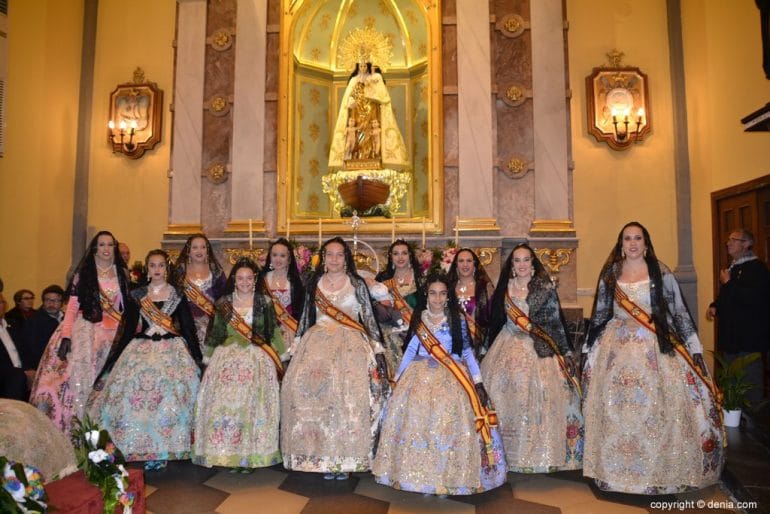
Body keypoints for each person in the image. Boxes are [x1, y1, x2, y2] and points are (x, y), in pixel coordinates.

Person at [583, 221, 724, 494]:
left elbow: (679, 312)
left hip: (655, 347)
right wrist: (589, 348)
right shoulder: (611, 274)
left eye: (638, 238)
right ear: (621, 244)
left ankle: (657, 472)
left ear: (646, 243)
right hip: (617, 347)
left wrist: (694, 346)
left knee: (657, 408)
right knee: (614, 410)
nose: (633, 243)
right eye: (627, 239)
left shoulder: (661, 272)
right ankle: (615, 472)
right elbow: (601, 312)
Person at [373, 273, 506, 495]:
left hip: (451, 374)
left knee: (447, 418)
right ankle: (419, 477)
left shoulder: (458, 319)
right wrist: (397, 379)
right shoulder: (420, 318)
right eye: (433, 293)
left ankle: (446, 476)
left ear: (448, 296)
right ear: (427, 295)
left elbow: (466, 352)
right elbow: (410, 350)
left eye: (442, 294)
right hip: (419, 373)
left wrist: (478, 382)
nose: (437, 299)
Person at [281, 237, 389, 480]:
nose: (334, 259)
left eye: (339, 254)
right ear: (323, 257)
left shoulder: (356, 283)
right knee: (306, 394)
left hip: (350, 345)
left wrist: (378, 349)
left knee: (347, 397)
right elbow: (305, 320)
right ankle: (320, 457)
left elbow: (369, 319)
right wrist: (295, 348)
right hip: (316, 343)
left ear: (346, 258)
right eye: (329, 254)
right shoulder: (314, 283)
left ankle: (345, 458)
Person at [89, 250, 202, 471]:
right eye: (152, 265)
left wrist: (197, 356)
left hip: (172, 351)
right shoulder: (137, 294)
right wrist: (114, 359)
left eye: (161, 265)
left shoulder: (177, 294)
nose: (157, 269)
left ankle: (165, 446)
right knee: (132, 390)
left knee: (170, 392)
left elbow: (187, 326)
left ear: (167, 269)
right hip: (141, 349)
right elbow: (128, 327)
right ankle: (133, 444)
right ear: (147, 269)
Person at [481, 244, 583, 473]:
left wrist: (564, 352)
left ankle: (538, 452)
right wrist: (485, 349)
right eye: (517, 260)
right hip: (507, 344)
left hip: (539, 348)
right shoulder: (505, 288)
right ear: (512, 265)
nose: (522, 264)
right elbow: (496, 320)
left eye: (526, 260)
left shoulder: (543, 288)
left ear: (533, 263)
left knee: (542, 395)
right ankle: (502, 452)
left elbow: (555, 322)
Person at [30, 231, 130, 436]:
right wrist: (66, 335)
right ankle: (74, 427)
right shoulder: (83, 274)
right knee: (77, 378)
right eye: (101, 245)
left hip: (112, 333)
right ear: (95, 248)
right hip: (85, 331)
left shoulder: (121, 273)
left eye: (110, 245)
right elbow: (73, 308)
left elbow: (122, 307)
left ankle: (103, 427)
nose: (105, 249)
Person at [193, 258, 284, 471]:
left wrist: (283, 357)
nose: (244, 282)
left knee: (252, 406)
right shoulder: (224, 303)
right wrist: (208, 358)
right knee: (224, 405)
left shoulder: (265, 302)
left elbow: (273, 332)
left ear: (255, 280)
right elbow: (216, 333)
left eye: (249, 278)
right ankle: (227, 453)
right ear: (234, 280)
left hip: (257, 357)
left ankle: (250, 455)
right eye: (240, 278)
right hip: (227, 356)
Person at [706, 228, 770, 407]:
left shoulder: (757, 268)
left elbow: (753, 299)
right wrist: (715, 306)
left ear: (746, 244)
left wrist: (728, 283)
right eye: (728, 240)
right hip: (731, 339)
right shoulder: (733, 267)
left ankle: (754, 428)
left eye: (733, 239)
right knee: (731, 387)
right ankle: (734, 425)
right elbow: (729, 296)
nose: (728, 243)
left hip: (748, 340)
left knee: (750, 389)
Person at [328, 59, 408, 169]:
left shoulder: (374, 78)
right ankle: (357, 156)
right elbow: (348, 98)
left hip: (371, 109)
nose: (363, 68)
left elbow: (381, 95)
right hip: (357, 111)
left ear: (368, 66)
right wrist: (351, 102)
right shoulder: (354, 80)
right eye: (361, 66)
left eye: (365, 66)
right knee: (357, 130)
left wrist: (372, 90)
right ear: (358, 66)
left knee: (371, 131)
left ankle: (371, 154)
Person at [170, 233, 226, 354]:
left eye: (203, 247)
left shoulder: (216, 271)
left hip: (211, 326)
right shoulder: (179, 272)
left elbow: (224, 300)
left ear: (208, 250)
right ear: (188, 251)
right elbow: (171, 299)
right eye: (195, 247)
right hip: (184, 326)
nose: (199, 251)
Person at [375, 240, 423, 374]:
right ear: (391, 256)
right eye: (396, 254)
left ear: (410, 256)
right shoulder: (383, 278)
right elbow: (373, 305)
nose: (400, 257)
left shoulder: (420, 280)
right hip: (388, 329)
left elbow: (426, 307)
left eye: (404, 253)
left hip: (415, 328)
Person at [258, 238, 305, 357]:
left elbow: (300, 310)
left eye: (282, 256)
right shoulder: (261, 279)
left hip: (289, 329)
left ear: (289, 259)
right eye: (274, 255)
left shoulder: (294, 282)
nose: (278, 259)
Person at [447, 248, 493, 356]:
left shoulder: (485, 288)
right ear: (456, 265)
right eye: (461, 261)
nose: (465, 265)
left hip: (477, 342)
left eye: (469, 261)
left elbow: (492, 318)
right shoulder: (448, 288)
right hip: (451, 340)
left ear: (475, 264)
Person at [20, 284, 64, 371]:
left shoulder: (67, 319)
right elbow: (29, 349)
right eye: (48, 300)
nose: (51, 304)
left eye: (56, 300)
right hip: (43, 368)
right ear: (43, 301)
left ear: (62, 303)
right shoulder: (33, 321)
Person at [0, 292, 30, 400]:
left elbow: (25, 350)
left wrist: (29, 371)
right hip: (6, 384)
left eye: (1, 302)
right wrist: (22, 374)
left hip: (22, 380)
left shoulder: (13, 324)